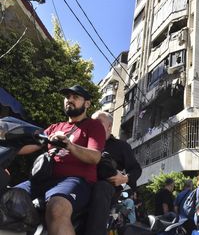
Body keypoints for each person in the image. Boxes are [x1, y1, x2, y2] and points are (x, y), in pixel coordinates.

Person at [16, 85, 106, 235]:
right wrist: (9, 145)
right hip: (42, 180)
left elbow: (95, 157)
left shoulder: (94, 125)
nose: (69, 100)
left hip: (74, 181)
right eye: (67, 97)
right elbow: (31, 145)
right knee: (9, 198)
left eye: (75, 97)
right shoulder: (55, 127)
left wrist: (70, 145)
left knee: (57, 207)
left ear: (87, 104)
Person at [84, 111, 142, 235]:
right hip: (83, 183)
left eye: (98, 123)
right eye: (92, 122)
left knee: (102, 187)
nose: (94, 125)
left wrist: (124, 178)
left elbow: (136, 169)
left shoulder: (121, 146)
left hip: (106, 188)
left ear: (109, 126)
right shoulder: (85, 141)